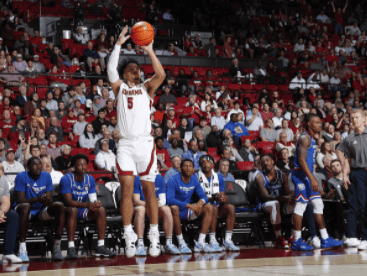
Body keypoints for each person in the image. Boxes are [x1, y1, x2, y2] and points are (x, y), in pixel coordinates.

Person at [107, 26, 166, 257]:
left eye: (138, 69)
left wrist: (150, 51)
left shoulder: (147, 88)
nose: (136, 71)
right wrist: (118, 44)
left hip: (144, 144)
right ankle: (128, 234)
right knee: (127, 187)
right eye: (132, 69)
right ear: (125, 73)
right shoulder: (119, 88)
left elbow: (161, 75)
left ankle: (153, 233)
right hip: (125, 145)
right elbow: (111, 68)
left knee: (149, 189)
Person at [291, 114, 343, 250]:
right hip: (301, 174)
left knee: (318, 203)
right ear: (308, 124)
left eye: (320, 123)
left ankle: (325, 238)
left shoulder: (312, 139)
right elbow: (301, 161)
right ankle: (296, 240)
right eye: (316, 123)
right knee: (301, 205)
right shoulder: (304, 138)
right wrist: (312, 177)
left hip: (308, 174)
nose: (319, 125)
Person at [59, 154, 116, 259]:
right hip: (67, 210)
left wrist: (96, 204)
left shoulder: (90, 179)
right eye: (80, 165)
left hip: (83, 210)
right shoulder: (66, 179)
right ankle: (71, 247)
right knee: (73, 210)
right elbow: (68, 201)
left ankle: (100, 245)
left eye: (85, 165)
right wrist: (87, 204)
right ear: (74, 167)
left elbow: (93, 199)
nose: (83, 167)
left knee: (101, 210)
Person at [14, 157, 66, 261]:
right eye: (34, 165)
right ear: (28, 167)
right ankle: (22, 248)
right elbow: (20, 200)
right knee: (26, 206)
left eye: (39, 165)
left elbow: (50, 200)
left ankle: (56, 246)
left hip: (40, 211)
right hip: (23, 210)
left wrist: (46, 200)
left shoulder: (46, 176)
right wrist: (38, 199)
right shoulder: (21, 176)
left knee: (59, 206)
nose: (38, 167)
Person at [167, 159, 215, 252]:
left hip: (188, 211)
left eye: (190, 166)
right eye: (185, 166)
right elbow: (169, 199)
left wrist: (200, 203)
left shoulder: (194, 179)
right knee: (174, 207)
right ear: (180, 168)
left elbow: (203, 196)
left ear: (193, 169)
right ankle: (181, 242)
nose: (188, 168)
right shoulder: (173, 180)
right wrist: (189, 205)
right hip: (174, 212)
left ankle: (200, 242)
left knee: (209, 207)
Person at [336, 109, 367, 248]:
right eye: (352, 118)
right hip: (357, 173)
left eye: (357, 117)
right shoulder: (348, 139)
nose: (354, 120)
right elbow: (346, 158)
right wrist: (344, 174)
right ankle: (364, 237)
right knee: (361, 205)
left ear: (364, 119)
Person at [197, 155, 240, 251]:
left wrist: (223, 198)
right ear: (200, 165)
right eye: (203, 162)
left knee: (230, 207)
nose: (206, 164)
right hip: (200, 207)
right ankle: (212, 240)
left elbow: (221, 195)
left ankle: (227, 241)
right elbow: (197, 197)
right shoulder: (195, 176)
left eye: (208, 162)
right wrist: (213, 198)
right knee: (212, 207)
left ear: (212, 164)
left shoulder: (219, 177)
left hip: (214, 206)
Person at [133, 174, 180, 255]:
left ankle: (168, 243)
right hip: (143, 208)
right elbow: (136, 201)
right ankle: (140, 244)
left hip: (155, 208)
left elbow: (163, 201)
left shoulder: (159, 178)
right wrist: (152, 204)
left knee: (166, 209)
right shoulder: (137, 178)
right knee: (140, 209)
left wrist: (153, 204)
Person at [255, 154, 295, 248]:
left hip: (280, 203)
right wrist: (284, 198)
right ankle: (279, 238)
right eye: (263, 162)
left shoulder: (282, 174)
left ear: (273, 161)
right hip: (263, 205)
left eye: (268, 160)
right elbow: (266, 197)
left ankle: (293, 237)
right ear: (261, 164)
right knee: (274, 203)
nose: (266, 163)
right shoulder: (259, 177)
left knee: (296, 204)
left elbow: (287, 192)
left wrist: (291, 197)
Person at [0, 162, 22, 263]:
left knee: (13, 216)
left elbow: (6, 201)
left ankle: (8, 253)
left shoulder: (3, 180)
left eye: (1, 169)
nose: (1, 171)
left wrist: (2, 212)